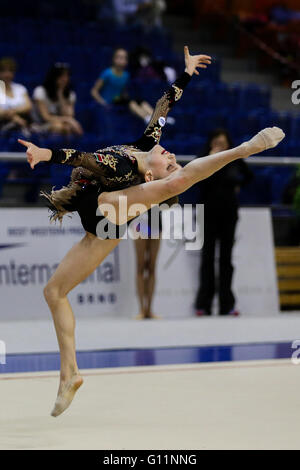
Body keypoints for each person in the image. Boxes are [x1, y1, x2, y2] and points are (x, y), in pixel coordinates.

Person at [18, 46, 285, 418]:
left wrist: (46, 154)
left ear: (148, 175)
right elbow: (163, 104)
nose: (171, 156)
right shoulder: (140, 150)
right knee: (54, 291)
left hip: (108, 208)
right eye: (171, 159)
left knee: (173, 186)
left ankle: (243, 149)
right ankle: (69, 374)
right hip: (100, 224)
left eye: (169, 163)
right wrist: (188, 73)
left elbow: (81, 158)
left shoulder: (128, 165)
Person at [195, 129, 253, 317]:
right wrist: (211, 158)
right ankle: (203, 304)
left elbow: (249, 176)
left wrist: (237, 186)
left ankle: (226, 304)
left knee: (226, 260)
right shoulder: (202, 159)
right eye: (217, 142)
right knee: (207, 259)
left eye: (223, 143)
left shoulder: (234, 159)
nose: (220, 146)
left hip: (228, 214)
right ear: (211, 143)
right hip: (207, 214)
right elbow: (196, 182)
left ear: (228, 144)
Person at [91, 47, 154, 124]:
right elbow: (94, 91)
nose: (122, 60)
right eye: (119, 57)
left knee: (140, 101)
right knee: (131, 103)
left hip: (119, 101)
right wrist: (103, 103)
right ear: (114, 59)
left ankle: (157, 117)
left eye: (124, 58)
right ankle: (146, 118)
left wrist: (126, 97)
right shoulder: (107, 73)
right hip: (109, 102)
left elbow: (123, 91)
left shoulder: (126, 75)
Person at [32, 63, 83, 136]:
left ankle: (69, 147)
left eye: (67, 76)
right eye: (61, 76)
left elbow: (69, 115)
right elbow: (46, 117)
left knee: (69, 128)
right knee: (59, 127)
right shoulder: (40, 91)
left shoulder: (70, 94)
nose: (64, 79)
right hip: (40, 125)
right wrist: (68, 120)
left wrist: (60, 93)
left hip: (62, 122)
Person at [134, 206, 162, 319]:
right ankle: (141, 309)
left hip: (155, 217)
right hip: (140, 219)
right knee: (140, 266)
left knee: (152, 267)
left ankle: (149, 309)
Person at [0, 57, 32, 135]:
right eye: (4, 71)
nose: (7, 74)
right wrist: (14, 118)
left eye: (10, 71)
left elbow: (28, 106)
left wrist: (13, 113)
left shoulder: (20, 88)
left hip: (23, 120)